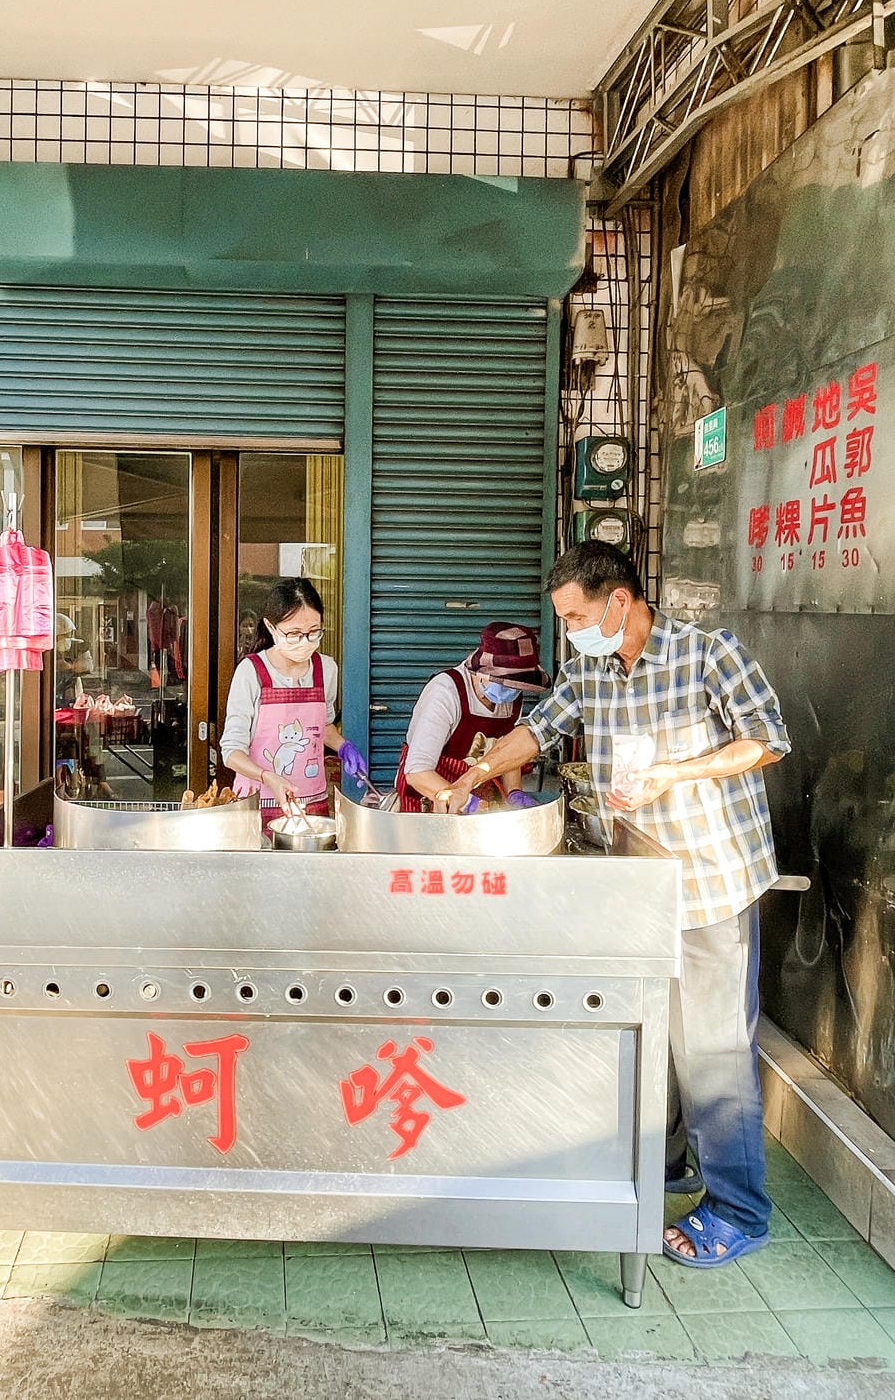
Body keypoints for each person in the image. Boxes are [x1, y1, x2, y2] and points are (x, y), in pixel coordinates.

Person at [446, 542, 790, 1271]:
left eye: (574, 616)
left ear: (619, 602)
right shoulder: (590, 668)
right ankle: (673, 1162)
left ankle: (740, 1210)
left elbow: (767, 741)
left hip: (708, 881)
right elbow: (538, 730)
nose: (569, 631)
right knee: (655, 1032)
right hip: (636, 882)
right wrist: (471, 776)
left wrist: (676, 773)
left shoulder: (708, 654)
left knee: (713, 1052)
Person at [221, 577, 367, 829]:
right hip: (256, 807)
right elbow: (231, 752)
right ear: (271, 626)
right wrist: (268, 776)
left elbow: (322, 725)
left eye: (313, 632)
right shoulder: (252, 672)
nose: (305, 641)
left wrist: (343, 747)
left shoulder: (326, 669)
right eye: (294, 633)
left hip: (312, 805)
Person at [395, 622, 550, 812]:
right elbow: (417, 772)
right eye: (503, 681)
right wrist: (469, 804)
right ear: (482, 669)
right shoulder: (445, 692)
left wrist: (513, 793)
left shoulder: (513, 694)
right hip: (427, 799)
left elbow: (508, 750)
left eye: (516, 684)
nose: (511, 689)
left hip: (480, 794)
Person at [54, 613, 94, 707]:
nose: (66, 638)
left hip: (71, 690)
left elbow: (88, 666)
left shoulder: (78, 645)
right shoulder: (47, 647)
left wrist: (72, 666)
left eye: (68, 635)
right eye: (63, 635)